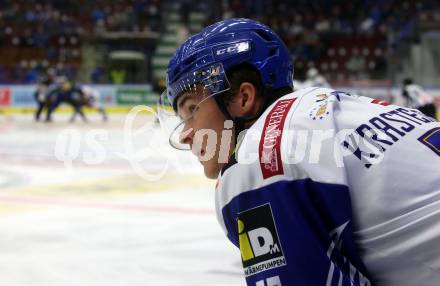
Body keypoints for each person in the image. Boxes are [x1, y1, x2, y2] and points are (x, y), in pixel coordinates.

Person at [159, 18, 440, 286]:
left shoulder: (258, 158)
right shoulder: (347, 107)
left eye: (192, 109)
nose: (185, 134)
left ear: (243, 98)